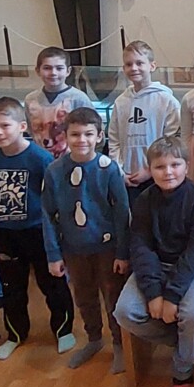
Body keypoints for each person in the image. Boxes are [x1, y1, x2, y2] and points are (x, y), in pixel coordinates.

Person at [115, 136, 194, 387]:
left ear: (186, 166)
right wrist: (153, 293)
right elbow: (141, 246)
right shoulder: (144, 200)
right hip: (157, 264)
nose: (168, 172)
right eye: (160, 167)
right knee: (124, 312)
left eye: (175, 165)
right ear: (150, 169)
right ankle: (183, 341)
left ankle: (183, 366)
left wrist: (171, 296)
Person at [0, 98, 75, 361]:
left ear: (22, 126)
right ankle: (15, 334)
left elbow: (54, 200)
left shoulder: (40, 159)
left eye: (5, 126)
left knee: (52, 284)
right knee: (12, 287)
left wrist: (56, 236)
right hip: (5, 233)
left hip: (37, 232)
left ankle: (63, 329)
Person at [45, 107, 132, 371]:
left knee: (113, 295)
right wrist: (53, 254)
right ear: (65, 136)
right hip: (73, 248)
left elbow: (121, 212)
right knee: (84, 296)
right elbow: (48, 214)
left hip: (106, 247)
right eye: (75, 134)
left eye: (88, 134)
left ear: (99, 136)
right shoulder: (54, 171)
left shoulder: (109, 169)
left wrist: (123, 252)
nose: (81, 140)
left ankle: (119, 342)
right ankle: (94, 338)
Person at [108, 40, 183, 199]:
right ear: (124, 68)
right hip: (126, 176)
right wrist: (119, 170)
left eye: (139, 63)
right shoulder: (120, 102)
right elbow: (114, 141)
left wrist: (150, 170)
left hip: (158, 175)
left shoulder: (167, 100)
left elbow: (173, 140)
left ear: (152, 66)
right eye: (129, 64)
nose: (134, 68)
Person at [24, 47, 93, 157]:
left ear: (68, 71)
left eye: (59, 68)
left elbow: (92, 132)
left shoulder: (79, 99)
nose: (53, 73)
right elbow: (31, 132)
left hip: (72, 160)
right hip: (40, 159)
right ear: (37, 71)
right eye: (47, 68)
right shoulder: (30, 100)